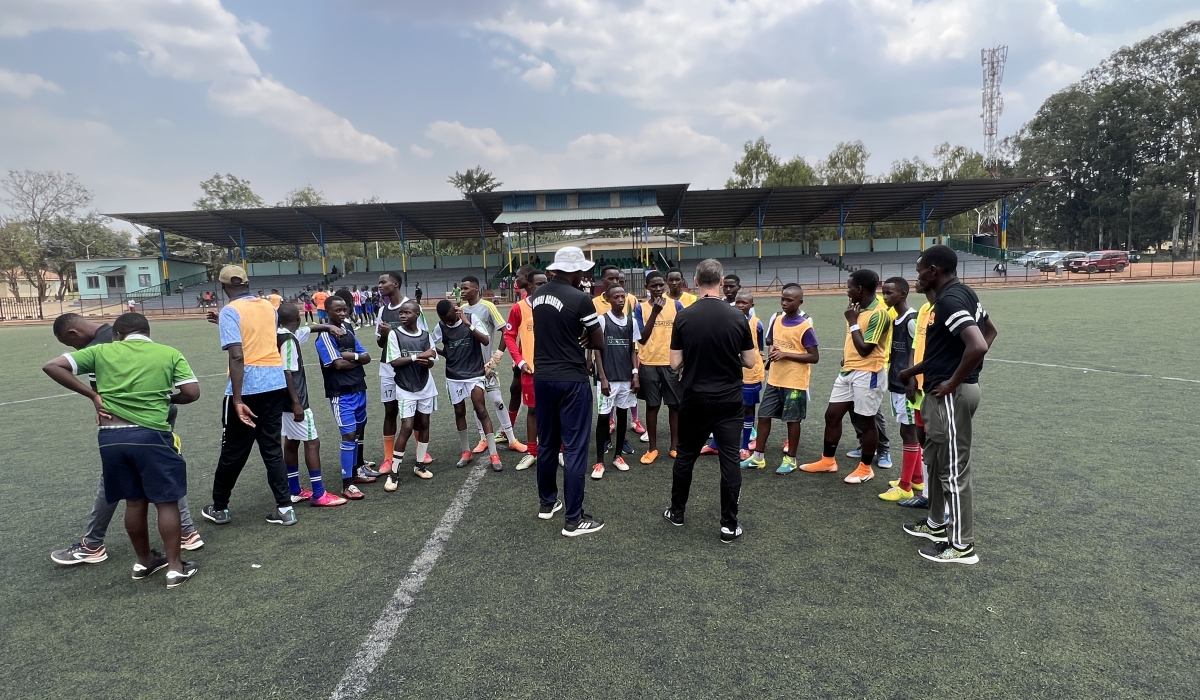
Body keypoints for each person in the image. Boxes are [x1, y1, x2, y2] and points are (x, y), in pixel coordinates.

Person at [42, 312, 200, 587]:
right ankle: (175, 567)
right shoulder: (169, 353)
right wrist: (165, 397)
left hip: (111, 438)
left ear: (117, 334)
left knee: (134, 501)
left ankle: (143, 561)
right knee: (166, 501)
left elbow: (53, 366)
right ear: (147, 333)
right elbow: (192, 392)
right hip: (151, 434)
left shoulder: (101, 351)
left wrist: (93, 395)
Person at [898, 245, 997, 565]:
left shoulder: (951, 300)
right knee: (937, 461)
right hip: (945, 393)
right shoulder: (961, 293)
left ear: (934, 271)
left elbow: (979, 344)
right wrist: (916, 371)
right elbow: (990, 331)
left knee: (954, 469)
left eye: (919, 271)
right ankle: (937, 525)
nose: (917, 276)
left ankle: (962, 546)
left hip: (952, 396)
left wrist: (955, 381)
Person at [663, 259, 757, 543]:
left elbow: (674, 362)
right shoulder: (738, 317)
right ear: (721, 282)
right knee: (729, 461)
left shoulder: (684, 316)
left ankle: (677, 512)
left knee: (686, 457)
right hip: (729, 400)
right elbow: (751, 362)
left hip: (694, 398)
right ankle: (729, 524)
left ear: (695, 282)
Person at [204, 265, 298, 527]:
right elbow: (258, 335)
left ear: (223, 286)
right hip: (274, 382)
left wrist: (236, 399)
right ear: (247, 283)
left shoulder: (230, 311)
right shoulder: (268, 306)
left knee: (234, 450)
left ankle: (220, 507)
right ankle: (285, 508)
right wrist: (221, 323)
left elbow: (237, 355)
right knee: (271, 449)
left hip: (247, 387)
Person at [529, 247, 605, 536]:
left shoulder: (536, 296)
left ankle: (547, 503)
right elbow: (598, 341)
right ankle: (574, 519)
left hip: (543, 377)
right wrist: (585, 336)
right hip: (571, 379)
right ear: (575, 271)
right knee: (574, 448)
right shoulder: (580, 298)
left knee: (547, 444)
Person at [799, 269, 891, 484]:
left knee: (866, 421)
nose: (846, 291)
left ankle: (866, 468)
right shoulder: (856, 309)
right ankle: (828, 461)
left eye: (849, 287)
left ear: (859, 289)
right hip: (848, 370)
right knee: (832, 416)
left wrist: (853, 321)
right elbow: (853, 342)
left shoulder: (879, 313)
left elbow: (866, 349)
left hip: (869, 373)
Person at [740, 284, 819, 473]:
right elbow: (773, 343)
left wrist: (786, 354)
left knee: (793, 421)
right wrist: (775, 352)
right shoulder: (777, 320)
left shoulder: (805, 326)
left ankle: (791, 459)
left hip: (795, 382)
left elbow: (814, 357)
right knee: (764, 415)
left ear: (800, 301)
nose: (784, 303)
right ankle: (758, 457)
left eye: (789, 300)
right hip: (775, 379)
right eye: (782, 299)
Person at [276, 304, 348, 507]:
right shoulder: (289, 340)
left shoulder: (280, 333)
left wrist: (328, 327)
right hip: (295, 401)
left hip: (281, 402)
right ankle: (318, 493)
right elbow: (287, 372)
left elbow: (310, 329)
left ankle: (294, 490)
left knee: (291, 440)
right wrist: (297, 403)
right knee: (312, 442)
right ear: (297, 319)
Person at [314, 296, 374, 500]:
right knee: (348, 436)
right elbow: (337, 365)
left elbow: (366, 356)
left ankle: (358, 472)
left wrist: (352, 357)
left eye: (344, 310)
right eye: (337, 310)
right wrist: (357, 359)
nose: (341, 313)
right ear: (327, 312)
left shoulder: (348, 328)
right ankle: (347, 484)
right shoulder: (324, 335)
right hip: (341, 393)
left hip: (359, 387)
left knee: (358, 430)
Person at [432, 299, 503, 472]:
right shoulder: (441, 326)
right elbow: (430, 344)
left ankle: (494, 453)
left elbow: (486, 340)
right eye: (445, 320)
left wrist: (467, 324)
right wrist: (445, 354)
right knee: (459, 412)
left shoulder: (470, 318)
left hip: (474, 373)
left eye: (451, 319)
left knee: (481, 410)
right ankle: (466, 451)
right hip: (454, 375)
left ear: (456, 311)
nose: (449, 323)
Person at [459, 276, 527, 454]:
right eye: (461, 289)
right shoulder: (462, 310)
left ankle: (512, 439)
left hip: (488, 366)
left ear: (476, 289)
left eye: (466, 288)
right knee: (477, 403)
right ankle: (483, 438)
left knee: (497, 400)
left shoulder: (488, 307)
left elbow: (505, 331)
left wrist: (496, 358)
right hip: (471, 368)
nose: (463, 291)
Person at [376, 271, 432, 475]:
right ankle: (388, 458)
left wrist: (424, 361)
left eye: (383, 282)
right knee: (390, 411)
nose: (380, 286)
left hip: (413, 369)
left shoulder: (412, 308)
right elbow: (380, 343)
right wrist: (384, 335)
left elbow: (424, 336)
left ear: (396, 284)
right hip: (388, 367)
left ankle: (421, 453)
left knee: (418, 412)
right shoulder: (382, 311)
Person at [383, 299, 439, 490]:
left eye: (407, 313)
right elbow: (394, 361)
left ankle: (420, 464)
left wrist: (427, 362)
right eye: (401, 313)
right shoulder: (394, 334)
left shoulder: (425, 335)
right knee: (406, 427)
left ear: (417, 314)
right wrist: (418, 356)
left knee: (424, 423)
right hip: (405, 387)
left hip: (425, 386)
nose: (403, 316)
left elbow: (432, 359)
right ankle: (393, 473)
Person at [878, 277, 922, 502]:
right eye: (883, 293)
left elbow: (920, 353)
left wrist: (912, 381)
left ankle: (905, 486)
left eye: (889, 293)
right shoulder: (898, 319)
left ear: (903, 294)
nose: (885, 297)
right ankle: (916, 478)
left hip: (908, 385)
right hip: (897, 382)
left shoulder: (912, 320)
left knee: (909, 432)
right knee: (909, 430)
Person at [634, 271, 684, 464]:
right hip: (649, 364)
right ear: (646, 287)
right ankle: (652, 448)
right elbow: (642, 337)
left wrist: (682, 362)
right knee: (652, 406)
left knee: (674, 406)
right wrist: (654, 312)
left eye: (660, 285)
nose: (657, 289)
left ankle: (674, 446)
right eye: (653, 286)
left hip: (671, 363)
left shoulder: (676, 305)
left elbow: (682, 334)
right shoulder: (641, 308)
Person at [896, 279, 938, 509]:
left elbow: (985, 336)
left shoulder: (949, 306)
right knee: (924, 439)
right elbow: (915, 347)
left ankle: (943, 507)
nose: (917, 278)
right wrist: (912, 377)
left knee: (937, 443)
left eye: (920, 272)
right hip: (919, 387)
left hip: (936, 388)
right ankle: (926, 495)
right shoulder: (924, 309)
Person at [591, 283, 639, 479]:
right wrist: (602, 377)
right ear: (608, 300)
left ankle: (618, 456)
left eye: (622, 296)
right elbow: (597, 350)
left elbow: (632, 350)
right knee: (603, 418)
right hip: (608, 379)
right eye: (616, 297)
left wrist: (635, 374)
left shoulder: (631, 322)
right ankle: (599, 461)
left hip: (625, 378)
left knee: (622, 415)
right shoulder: (602, 320)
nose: (620, 300)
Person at [503, 269, 547, 472]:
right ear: (529, 285)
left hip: (553, 368)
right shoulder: (519, 308)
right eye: (539, 283)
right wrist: (520, 362)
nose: (543, 286)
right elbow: (509, 336)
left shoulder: (553, 306)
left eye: (545, 282)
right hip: (530, 369)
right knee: (533, 410)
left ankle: (560, 451)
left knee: (556, 411)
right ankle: (532, 452)